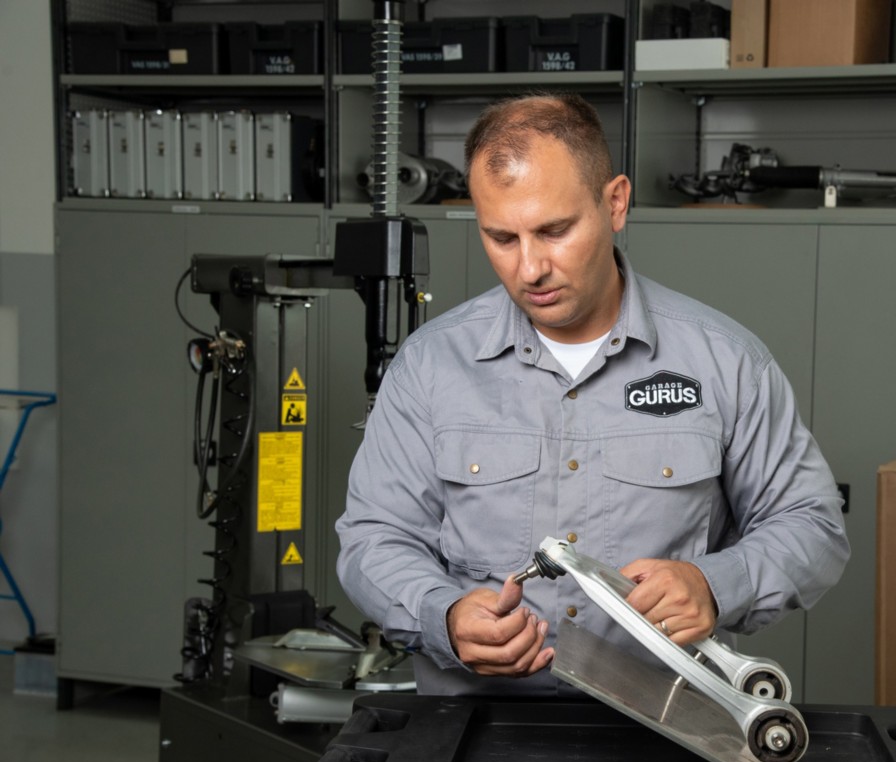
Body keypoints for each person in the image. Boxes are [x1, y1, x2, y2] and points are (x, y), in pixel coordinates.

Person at [336, 93, 848, 695]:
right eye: (502, 238)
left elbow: (812, 525)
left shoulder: (726, 362)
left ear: (616, 203)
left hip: (670, 728)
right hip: (477, 728)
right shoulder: (430, 366)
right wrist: (441, 614)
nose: (530, 268)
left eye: (554, 231)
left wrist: (715, 584)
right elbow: (374, 537)